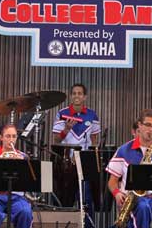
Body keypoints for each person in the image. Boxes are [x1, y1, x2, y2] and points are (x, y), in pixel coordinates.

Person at [52, 83, 100, 226]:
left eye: (80, 93)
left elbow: (94, 140)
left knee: (86, 199)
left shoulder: (92, 115)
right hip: (66, 163)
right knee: (64, 199)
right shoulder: (62, 113)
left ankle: (88, 225)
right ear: (71, 96)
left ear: (84, 97)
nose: (76, 96)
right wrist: (66, 129)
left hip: (84, 163)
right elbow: (56, 140)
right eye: (74, 93)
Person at [0, 124, 33, 228]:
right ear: (1, 138)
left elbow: (28, 183)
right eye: (8, 136)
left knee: (25, 211)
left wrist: (21, 164)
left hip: (16, 197)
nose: (11, 140)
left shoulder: (23, 157)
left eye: (14, 136)